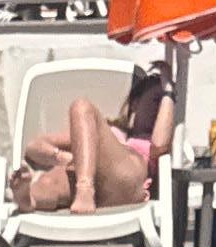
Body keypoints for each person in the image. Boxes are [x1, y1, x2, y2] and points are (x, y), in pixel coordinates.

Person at [21, 61, 175, 216]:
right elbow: (33, 147)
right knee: (48, 183)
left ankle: (85, 187)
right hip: (97, 185)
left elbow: (159, 144)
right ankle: (27, 200)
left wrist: (169, 92)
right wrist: (63, 158)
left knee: (82, 107)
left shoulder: (153, 142)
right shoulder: (108, 132)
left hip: (127, 182)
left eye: (165, 104)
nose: (161, 110)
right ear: (135, 104)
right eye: (157, 100)